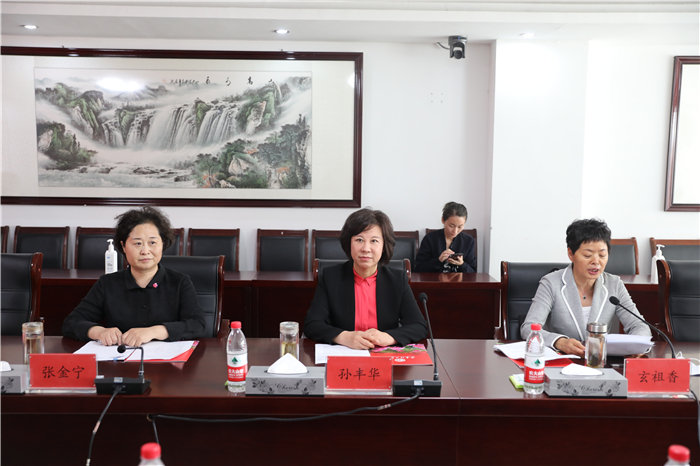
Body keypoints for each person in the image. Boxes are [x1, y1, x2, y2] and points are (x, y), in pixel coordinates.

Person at [63, 206, 206, 346]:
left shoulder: (180, 282)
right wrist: (99, 332)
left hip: (168, 360)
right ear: (123, 246)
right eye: (137, 243)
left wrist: (154, 331)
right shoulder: (108, 283)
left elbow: (198, 324)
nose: (145, 251)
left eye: (152, 242)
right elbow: (72, 322)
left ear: (162, 244)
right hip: (120, 358)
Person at [520, 218, 651, 356]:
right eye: (587, 255)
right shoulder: (551, 283)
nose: (596, 262)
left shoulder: (614, 284)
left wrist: (637, 346)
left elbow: (639, 325)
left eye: (602, 255)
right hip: (561, 360)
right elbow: (528, 328)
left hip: (599, 361)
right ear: (571, 254)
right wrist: (560, 342)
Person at [304, 208, 428, 350]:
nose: (366, 249)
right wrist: (344, 337)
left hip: (382, 356)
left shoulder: (397, 280)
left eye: (374, 241)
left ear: (383, 246)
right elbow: (312, 324)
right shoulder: (331, 277)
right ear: (349, 243)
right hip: (345, 354)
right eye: (359, 240)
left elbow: (419, 325)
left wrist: (388, 337)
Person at [415, 202, 476, 273]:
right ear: (443, 220)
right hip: (435, 279)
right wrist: (438, 261)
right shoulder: (430, 238)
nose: (455, 231)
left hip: (459, 280)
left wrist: (462, 264)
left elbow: (473, 272)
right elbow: (418, 268)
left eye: (460, 227)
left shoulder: (469, 241)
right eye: (451, 226)